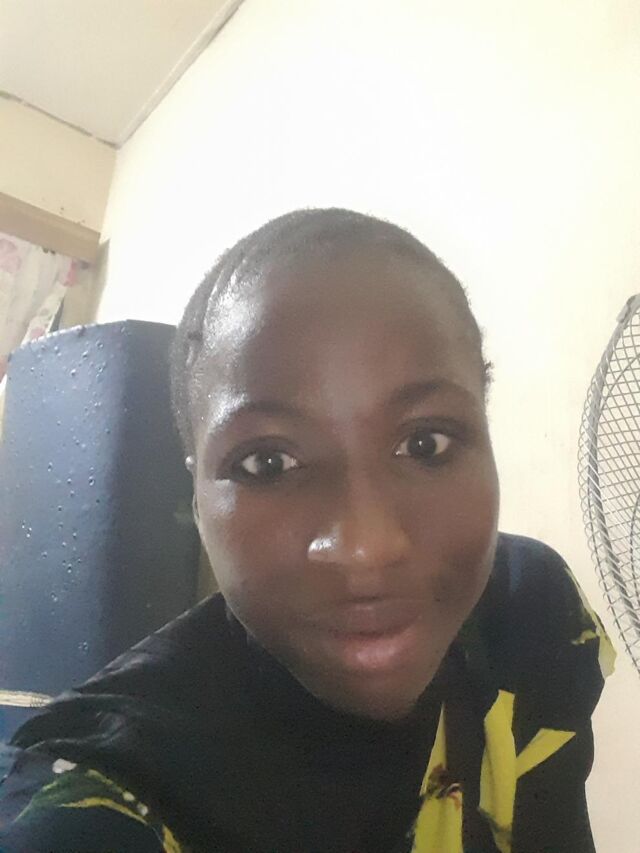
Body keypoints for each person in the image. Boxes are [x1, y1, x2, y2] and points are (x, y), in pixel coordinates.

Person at [0, 209, 615, 853]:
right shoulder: (104, 798)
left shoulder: (531, 614)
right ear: (198, 501)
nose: (365, 548)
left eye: (425, 443)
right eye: (268, 463)